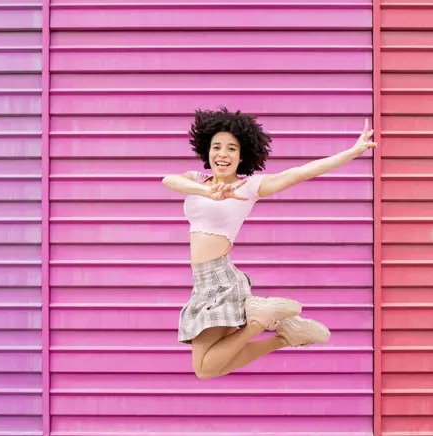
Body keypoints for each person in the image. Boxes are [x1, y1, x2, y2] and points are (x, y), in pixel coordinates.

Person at [162, 107, 377, 380]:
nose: (222, 154)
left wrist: (352, 152)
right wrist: (209, 192)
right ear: (207, 150)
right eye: (216, 147)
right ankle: (284, 337)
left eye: (231, 148)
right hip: (204, 280)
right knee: (212, 367)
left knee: (205, 369)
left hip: (220, 278)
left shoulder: (249, 186)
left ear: (242, 156)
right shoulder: (196, 180)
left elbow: (301, 172)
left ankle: (259, 321)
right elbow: (168, 180)